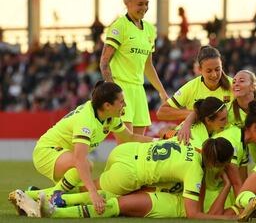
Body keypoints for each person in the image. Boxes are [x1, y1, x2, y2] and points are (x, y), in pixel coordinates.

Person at [8, 81, 156, 215]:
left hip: (64, 154)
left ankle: (31, 195)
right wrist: (93, 193)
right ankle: (53, 197)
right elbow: (79, 159)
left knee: (78, 191)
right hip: (47, 152)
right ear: (107, 105)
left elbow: (129, 137)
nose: (125, 105)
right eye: (122, 101)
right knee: (87, 166)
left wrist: (158, 141)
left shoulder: (111, 116)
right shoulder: (86, 121)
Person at [17, 138, 235, 220]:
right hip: (131, 172)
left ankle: (33, 193)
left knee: (96, 189)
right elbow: (192, 213)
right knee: (99, 197)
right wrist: (229, 217)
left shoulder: (193, 142)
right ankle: (53, 204)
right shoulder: (195, 172)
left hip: (126, 151)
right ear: (217, 162)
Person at [100, 0, 168, 137]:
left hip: (139, 90)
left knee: (139, 147)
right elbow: (104, 62)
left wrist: (162, 92)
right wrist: (113, 92)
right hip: (121, 89)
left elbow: (148, 65)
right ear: (127, 3)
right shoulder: (119, 26)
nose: (144, 7)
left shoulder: (150, 30)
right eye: (140, 4)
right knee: (126, 145)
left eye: (147, 3)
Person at [156, 45, 233, 141]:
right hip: (196, 138)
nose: (214, 75)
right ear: (199, 70)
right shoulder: (191, 87)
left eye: (217, 69)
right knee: (164, 133)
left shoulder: (233, 85)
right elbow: (161, 113)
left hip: (225, 138)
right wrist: (193, 114)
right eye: (209, 71)